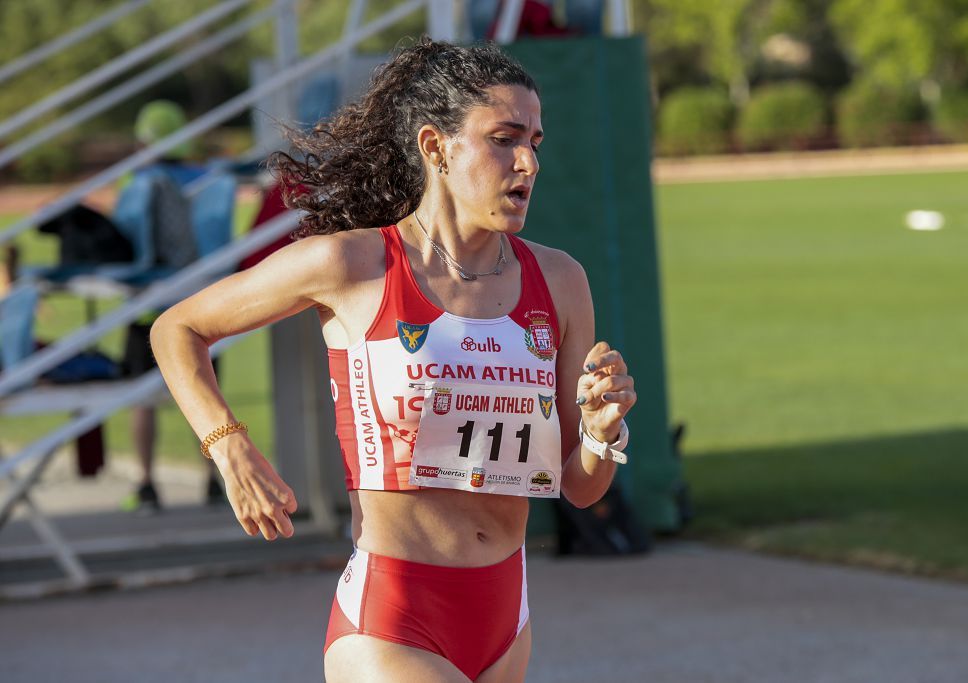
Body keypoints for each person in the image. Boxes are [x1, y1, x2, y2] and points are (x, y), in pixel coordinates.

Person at [151, 39, 636, 682]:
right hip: (394, 617)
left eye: (536, 143)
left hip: (505, 613)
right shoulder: (351, 265)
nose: (528, 162)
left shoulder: (561, 281)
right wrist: (228, 445)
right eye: (504, 138)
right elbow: (177, 327)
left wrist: (603, 437)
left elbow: (579, 486)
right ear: (436, 147)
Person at [121, 100, 225, 513]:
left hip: (151, 307)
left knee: (142, 399)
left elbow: (128, 241)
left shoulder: (140, 180)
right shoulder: (210, 177)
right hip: (205, 308)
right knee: (208, 394)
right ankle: (216, 479)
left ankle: (146, 484)